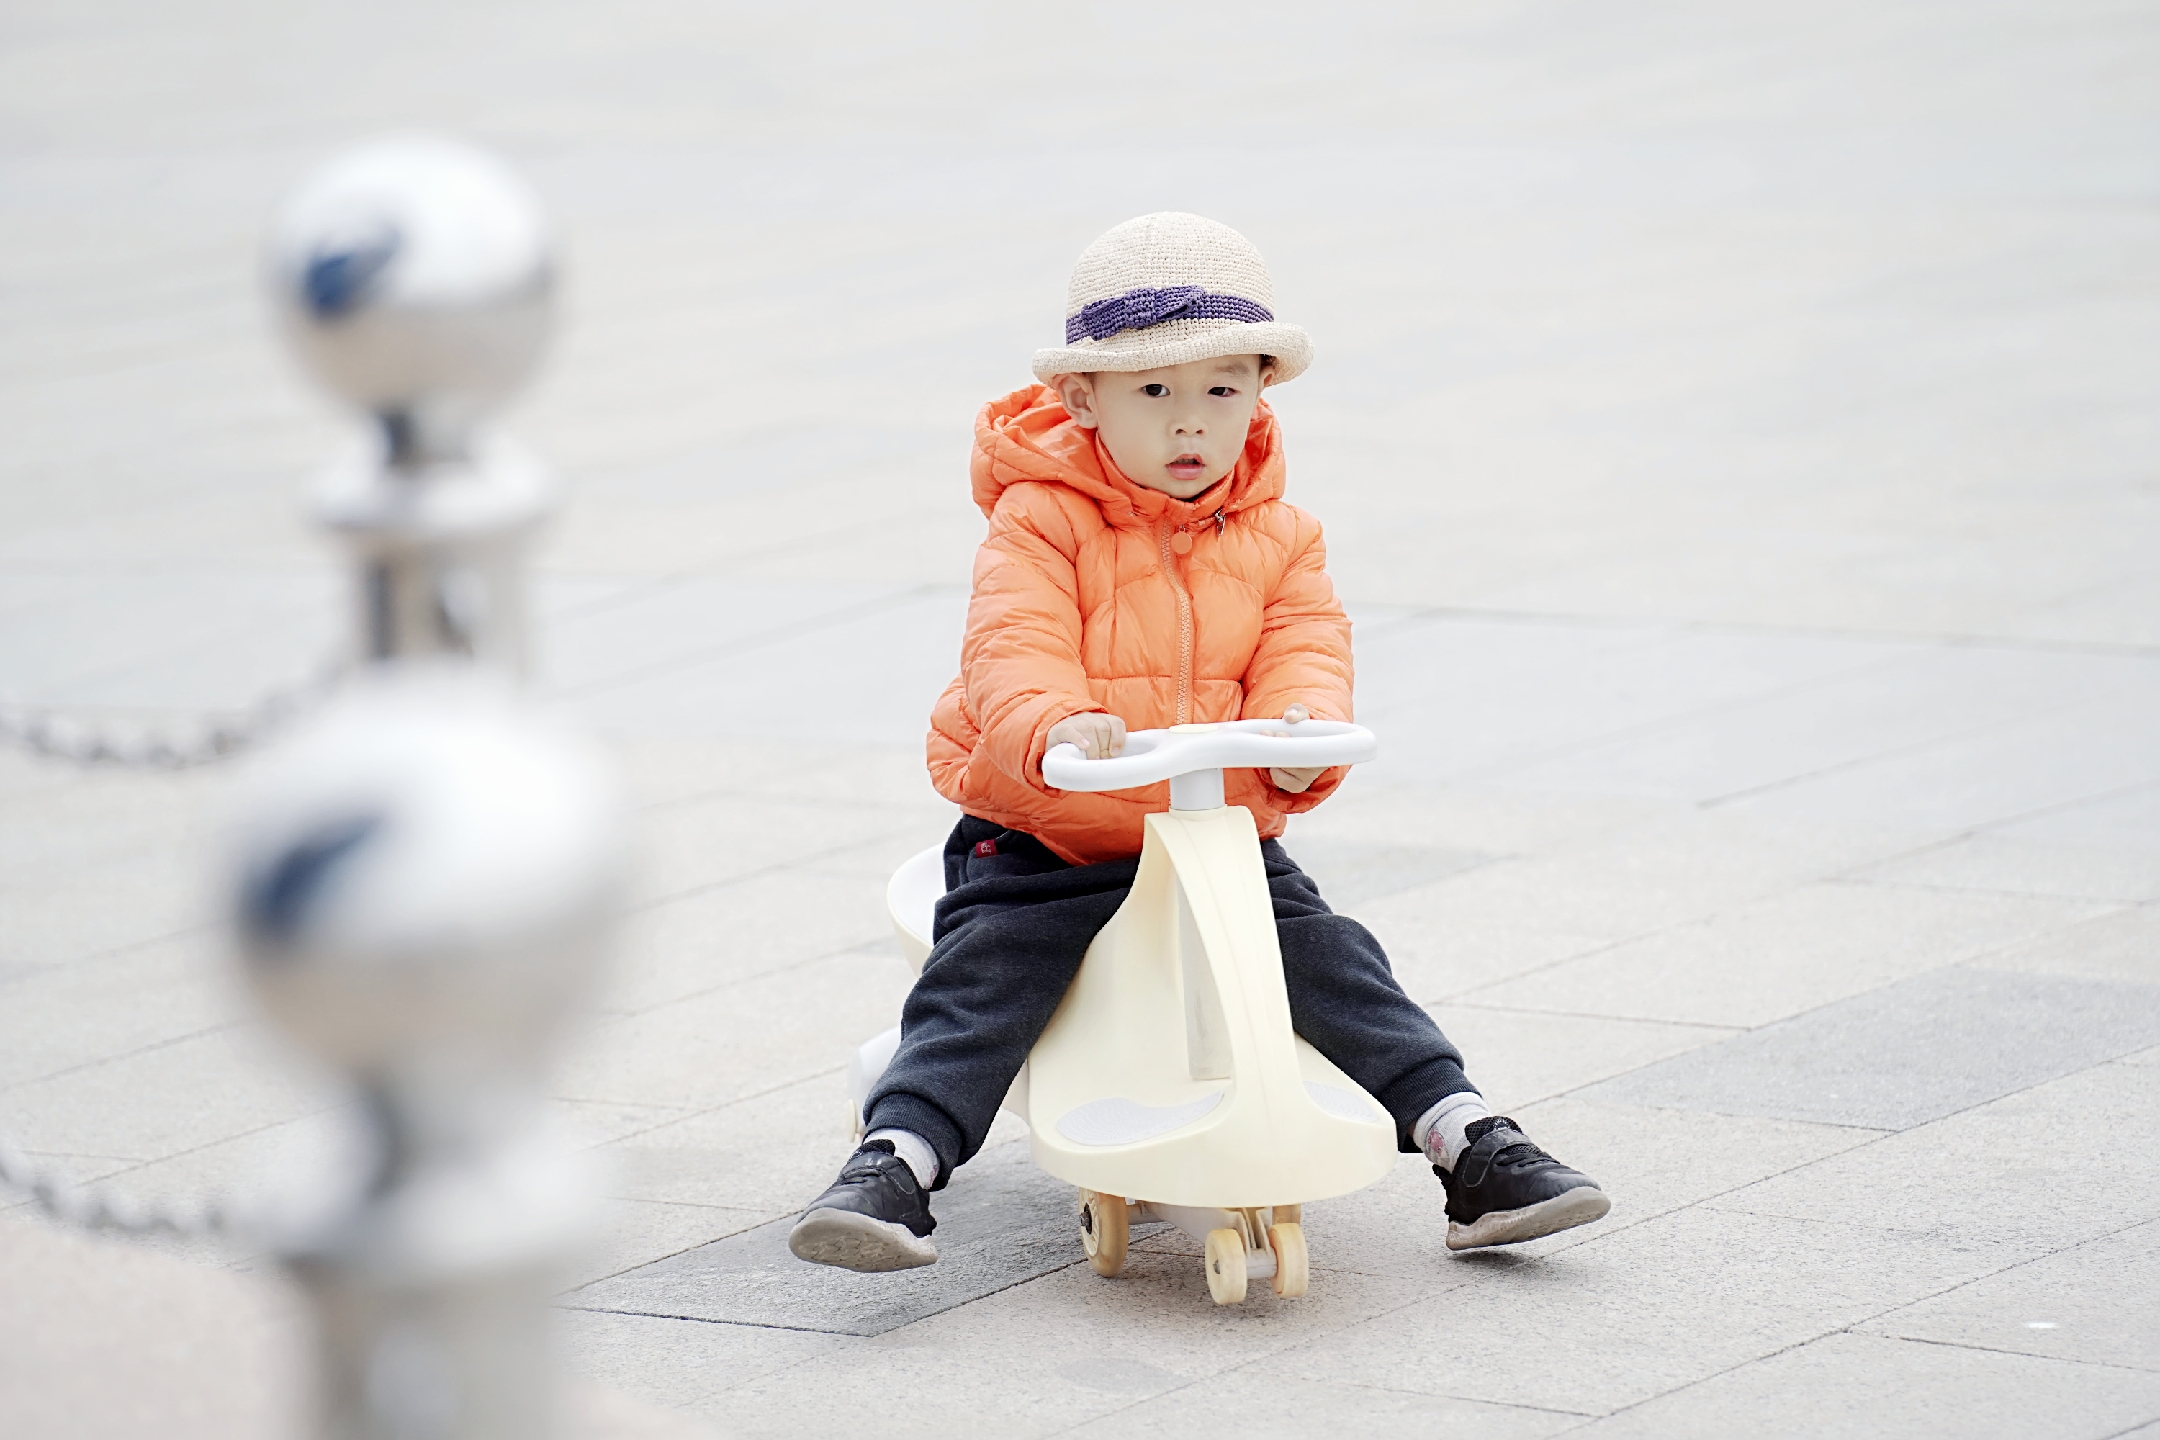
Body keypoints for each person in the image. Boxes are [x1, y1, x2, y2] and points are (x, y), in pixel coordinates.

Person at [789, 212, 1609, 1273]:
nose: (1190, 423)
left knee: (1332, 960)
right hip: (1050, 836)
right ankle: (896, 1163)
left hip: (1212, 832)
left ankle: (1470, 1139)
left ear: (1261, 392)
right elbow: (1012, 644)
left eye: (1221, 390)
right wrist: (1053, 724)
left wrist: (1302, 733)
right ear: (1083, 398)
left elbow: (1305, 645)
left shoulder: (1283, 536)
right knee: (986, 983)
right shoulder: (1040, 521)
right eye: (1152, 392)